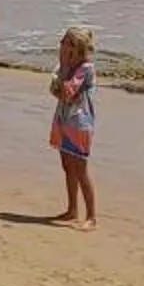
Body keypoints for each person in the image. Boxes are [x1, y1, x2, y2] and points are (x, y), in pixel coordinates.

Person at [47, 26, 99, 230]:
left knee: (80, 169)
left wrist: (63, 75)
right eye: (62, 43)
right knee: (67, 165)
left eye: (67, 44)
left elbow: (66, 92)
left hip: (79, 123)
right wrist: (62, 71)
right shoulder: (66, 67)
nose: (62, 47)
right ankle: (72, 209)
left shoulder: (85, 69)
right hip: (64, 120)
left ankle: (92, 215)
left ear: (78, 48)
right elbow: (55, 90)